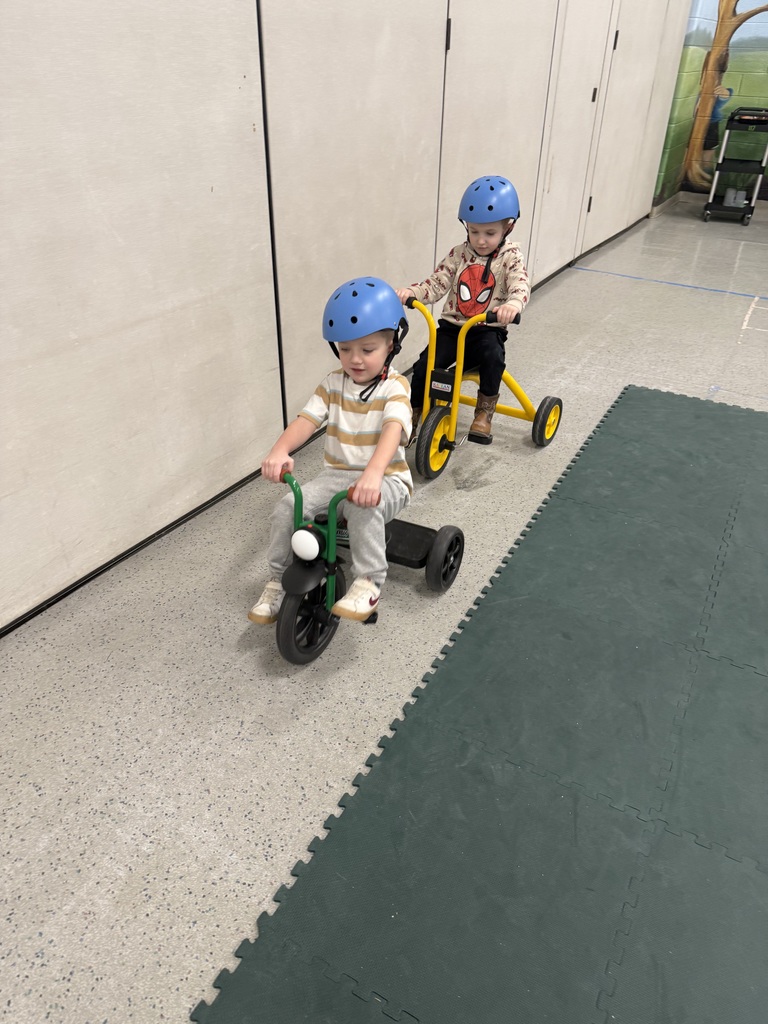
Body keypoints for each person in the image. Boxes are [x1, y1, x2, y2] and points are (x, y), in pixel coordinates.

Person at [249, 277, 413, 625]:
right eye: (345, 349)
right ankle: (277, 580)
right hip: (335, 477)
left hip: (386, 479)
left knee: (362, 505)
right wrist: (279, 450)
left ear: (391, 344)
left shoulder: (395, 387)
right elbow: (306, 421)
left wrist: (373, 474)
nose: (355, 359)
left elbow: (393, 430)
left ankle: (369, 582)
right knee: (288, 507)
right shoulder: (333, 383)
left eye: (367, 350)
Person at [396, 175, 530, 443]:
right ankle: (413, 413)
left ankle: (484, 412)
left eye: (490, 233)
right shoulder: (459, 254)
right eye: (474, 231)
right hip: (452, 329)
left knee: (493, 358)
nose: (480, 240)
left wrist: (513, 304)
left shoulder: (510, 258)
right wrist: (413, 293)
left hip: (486, 329)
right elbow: (436, 283)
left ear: (508, 227)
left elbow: (520, 284)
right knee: (424, 366)